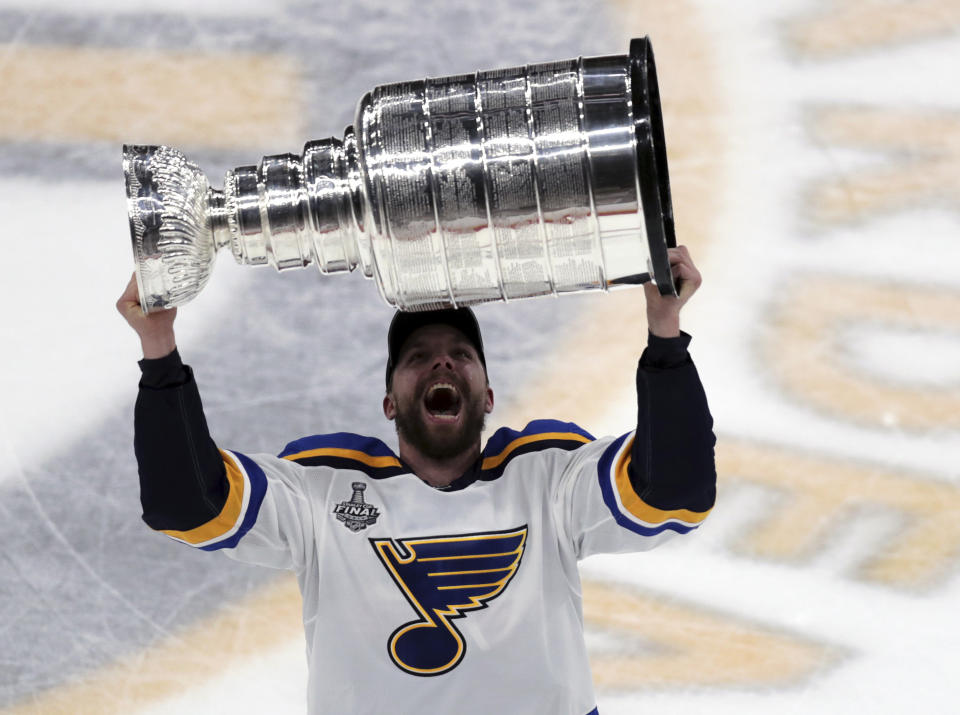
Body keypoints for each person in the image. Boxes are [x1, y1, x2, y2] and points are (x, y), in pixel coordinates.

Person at [117, 245, 716, 715]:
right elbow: (186, 504)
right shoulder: (325, 485)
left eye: (461, 352)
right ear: (388, 403)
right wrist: (158, 345)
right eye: (417, 357)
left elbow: (675, 490)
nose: (441, 361)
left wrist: (666, 334)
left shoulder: (545, 473)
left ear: (487, 395)